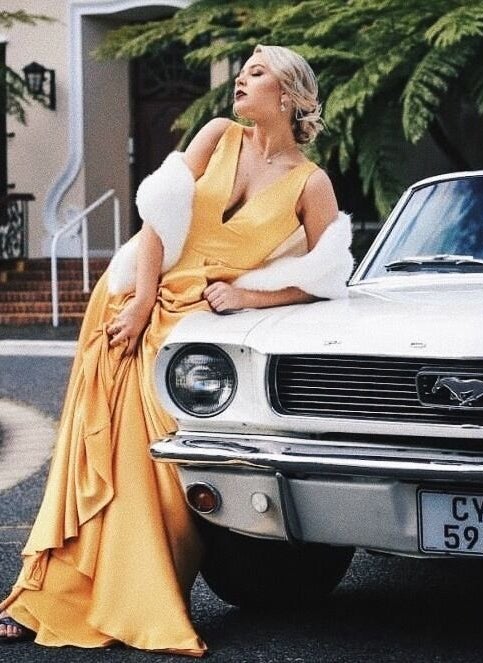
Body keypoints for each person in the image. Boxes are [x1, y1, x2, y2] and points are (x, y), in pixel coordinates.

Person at [0, 44, 353, 655]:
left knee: (161, 473)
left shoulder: (310, 182)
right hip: (133, 305)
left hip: (198, 329)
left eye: (257, 73)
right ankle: (46, 596)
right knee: (94, 455)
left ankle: (137, 599)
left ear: (289, 96)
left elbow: (328, 277)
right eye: (241, 71)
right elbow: (158, 218)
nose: (240, 80)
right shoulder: (216, 135)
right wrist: (140, 303)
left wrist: (249, 297)